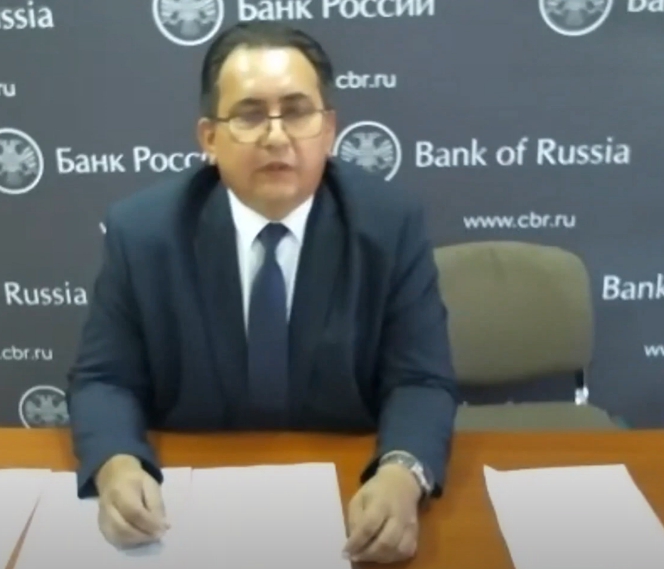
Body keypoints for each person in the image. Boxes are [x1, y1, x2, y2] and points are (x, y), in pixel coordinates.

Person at [65, 21, 459, 564]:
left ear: (329, 129)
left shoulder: (389, 226)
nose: (276, 137)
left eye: (297, 112)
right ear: (209, 138)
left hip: (345, 498)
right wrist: (117, 464)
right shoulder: (144, 233)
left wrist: (402, 472)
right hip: (187, 509)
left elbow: (420, 379)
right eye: (250, 115)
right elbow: (104, 378)